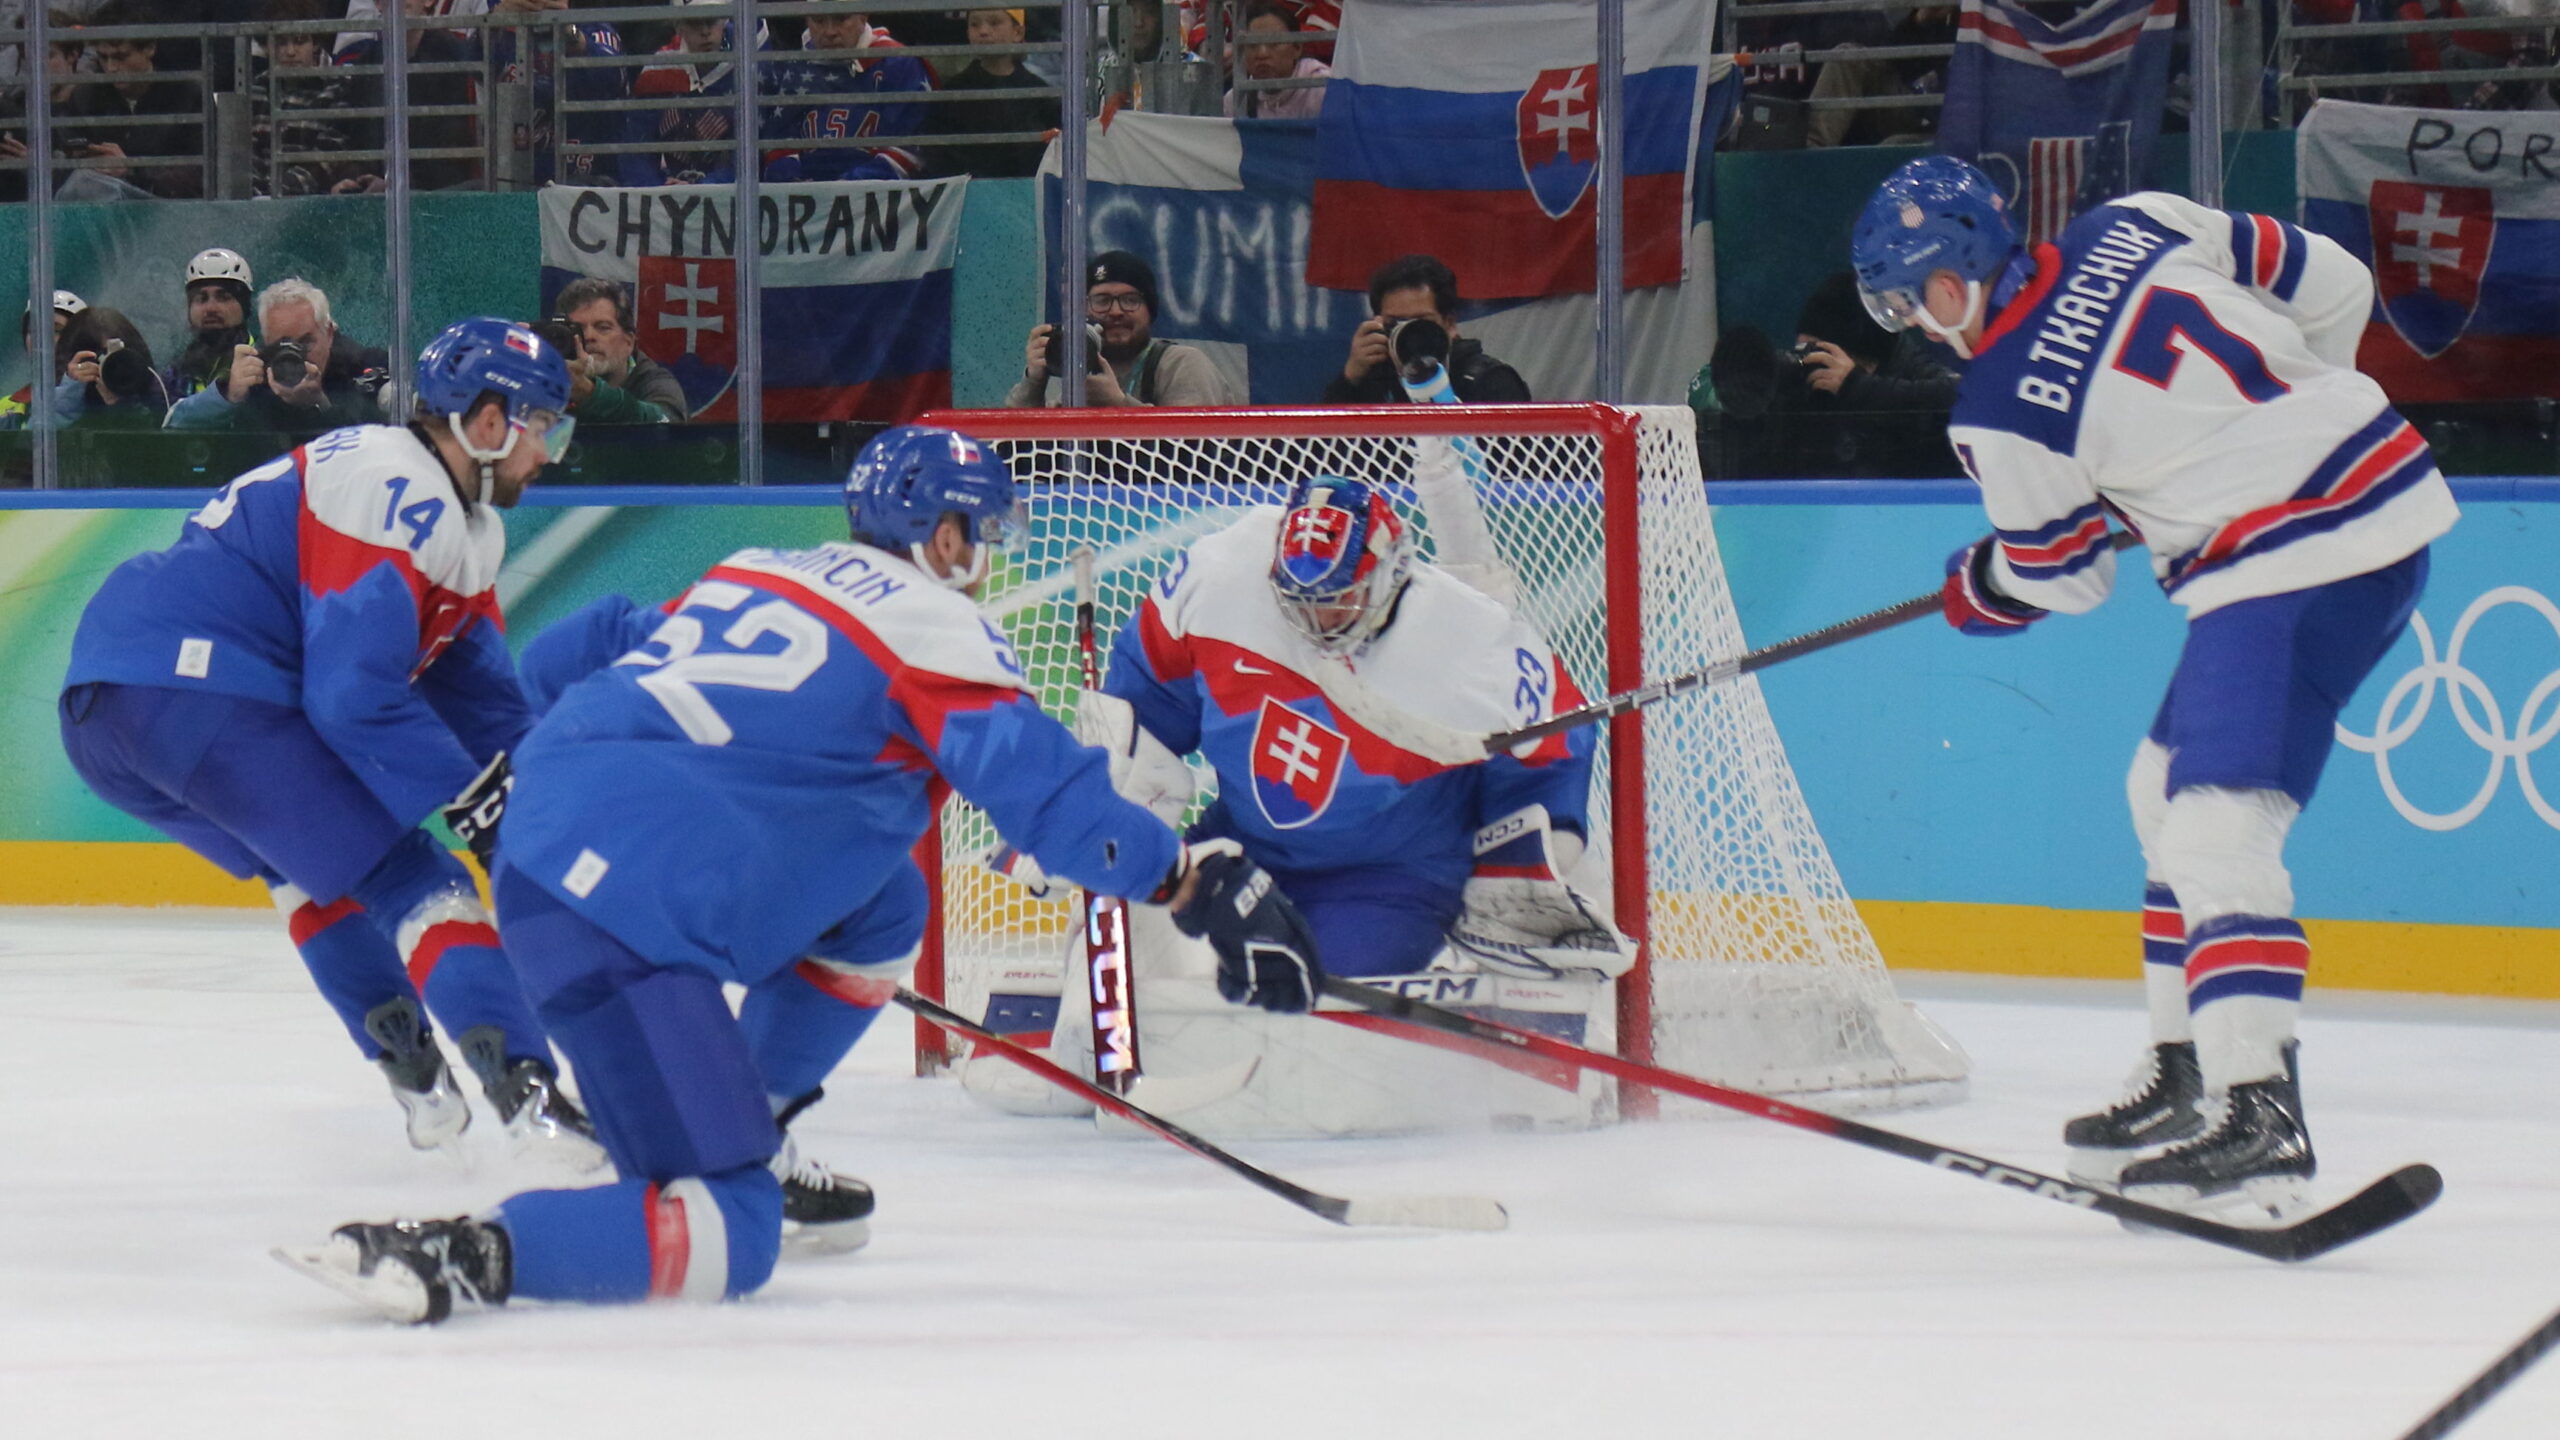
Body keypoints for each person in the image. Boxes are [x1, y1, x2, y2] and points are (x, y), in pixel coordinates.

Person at [274, 425, 1326, 1323]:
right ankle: (460, 1252)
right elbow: (1046, 796)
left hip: (553, 851)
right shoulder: (934, 627)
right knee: (733, 1230)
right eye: (982, 530)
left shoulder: (759, 567)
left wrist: (558, 777)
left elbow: (580, 646)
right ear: (943, 537)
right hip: (625, 917)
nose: (988, 553)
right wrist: (1186, 881)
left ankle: (754, 1121)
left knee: (888, 904)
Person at [1849, 156, 2460, 1214]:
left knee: (2218, 833)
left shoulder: (1997, 405)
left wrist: (1981, 585)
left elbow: (2064, 576)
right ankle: (2187, 1070)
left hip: (2294, 564)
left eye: (1917, 298)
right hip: (2365, 500)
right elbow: (2336, 284)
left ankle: (2259, 1113)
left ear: (1960, 274)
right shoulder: (2134, 221)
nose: (1918, 324)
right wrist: (2294, 418)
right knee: (2158, 792)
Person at [56, 317, 603, 1167]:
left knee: (312, 867)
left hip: (111, 705)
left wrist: (535, 804)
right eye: (547, 428)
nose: (551, 454)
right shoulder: (401, 488)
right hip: (199, 689)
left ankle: (420, 1083)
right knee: (412, 877)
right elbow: (351, 695)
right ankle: (528, 1097)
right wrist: (482, 807)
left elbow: (481, 697)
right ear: (490, 423)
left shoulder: (445, 514)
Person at [967, 463, 1620, 1131]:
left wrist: (1525, 859)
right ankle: (1087, 1043)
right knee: (1125, 879)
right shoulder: (1222, 574)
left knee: (1308, 1014)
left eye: (1335, 600)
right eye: (1297, 599)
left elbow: (1556, 741)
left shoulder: (1465, 637)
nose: (1314, 619)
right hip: (1243, 846)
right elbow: (1149, 697)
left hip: (1388, 875)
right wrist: (1088, 818)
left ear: (1388, 573)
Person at [164, 278, 392, 440]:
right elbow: (172, 424)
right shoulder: (255, 377)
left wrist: (321, 405)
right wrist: (228, 395)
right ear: (265, 343)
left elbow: (389, 437)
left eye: (305, 343)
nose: (296, 355)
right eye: (283, 346)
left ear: (329, 334)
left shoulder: (364, 366)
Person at [1008, 251, 1237, 408]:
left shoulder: (1182, 364)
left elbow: (1195, 450)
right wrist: (1034, 382)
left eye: (1130, 300)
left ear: (1150, 310)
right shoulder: (1083, 375)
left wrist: (1119, 405)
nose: (1116, 312)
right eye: (1102, 300)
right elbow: (1014, 450)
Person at [759, 3, 932, 183]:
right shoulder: (794, 68)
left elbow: (906, 152)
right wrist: (797, 185)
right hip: (811, 193)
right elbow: (778, 149)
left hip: (873, 194)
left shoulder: (898, 65)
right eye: (819, 20)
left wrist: (846, 188)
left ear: (863, 16)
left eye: (841, 19)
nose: (830, 32)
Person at [1323, 254, 1529, 405]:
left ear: (1449, 323)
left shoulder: (1489, 381)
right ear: (1379, 323)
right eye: (1395, 322)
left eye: (1421, 321)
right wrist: (1351, 377)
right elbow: (1324, 449)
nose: (1410, 333)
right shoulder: (1372, 381)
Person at [924, 7, 1056, 180]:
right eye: (974, 24)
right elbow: (939, 154)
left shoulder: (1039, 92)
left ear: (1017, 32)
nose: (983, 31)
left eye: (994, 23)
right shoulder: (954, 92)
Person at [554, 276, 687, 423]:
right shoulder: (550, 377)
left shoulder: (655, 382)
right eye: (577, 329)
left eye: (603, 327)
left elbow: (665, 424)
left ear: (629, 342)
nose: (588, 336)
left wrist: (589, 392)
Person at [50, 306, 171, 426]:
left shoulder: (155, 392)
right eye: (99, 356)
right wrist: (71, 389)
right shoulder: (54, 391)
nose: (111, 365)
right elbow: (46, 429)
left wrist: (125, 404)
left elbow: (158, 430)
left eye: (117, 356)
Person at [165, 247, 258, 403]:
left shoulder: (264, 365)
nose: (211, 308)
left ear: (245, 306)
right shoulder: (175, 375)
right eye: (201, 298)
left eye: (224, 297)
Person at [1223, 2, 1328, 119]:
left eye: (1274, 43)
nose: (1262, 54)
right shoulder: (1235, 100)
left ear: (1297, 48)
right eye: (1252, 45)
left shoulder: (1324, 89)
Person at [0, 289, 87, 427]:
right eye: (33, 330)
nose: (42, 338)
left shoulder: (100, 400)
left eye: (56, 330)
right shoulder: (5, 407)